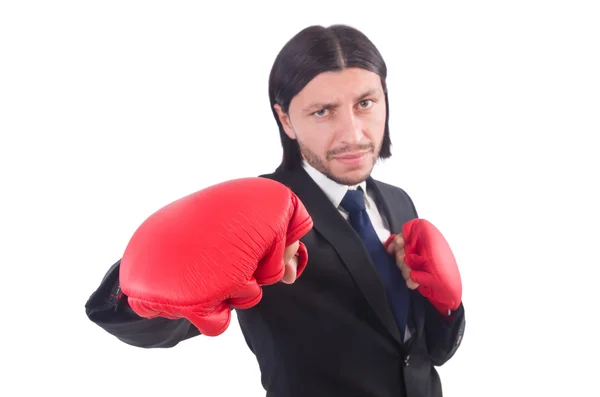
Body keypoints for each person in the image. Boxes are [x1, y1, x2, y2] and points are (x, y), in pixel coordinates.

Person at [85, 24, 466, 397]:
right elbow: (156, 320)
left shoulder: (398, 200)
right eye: (323, 111)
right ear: (286, 119)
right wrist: (139, 282)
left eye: (365, 103)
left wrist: (446, 306)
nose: (353, 134)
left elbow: (424, 354)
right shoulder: (259, 212)